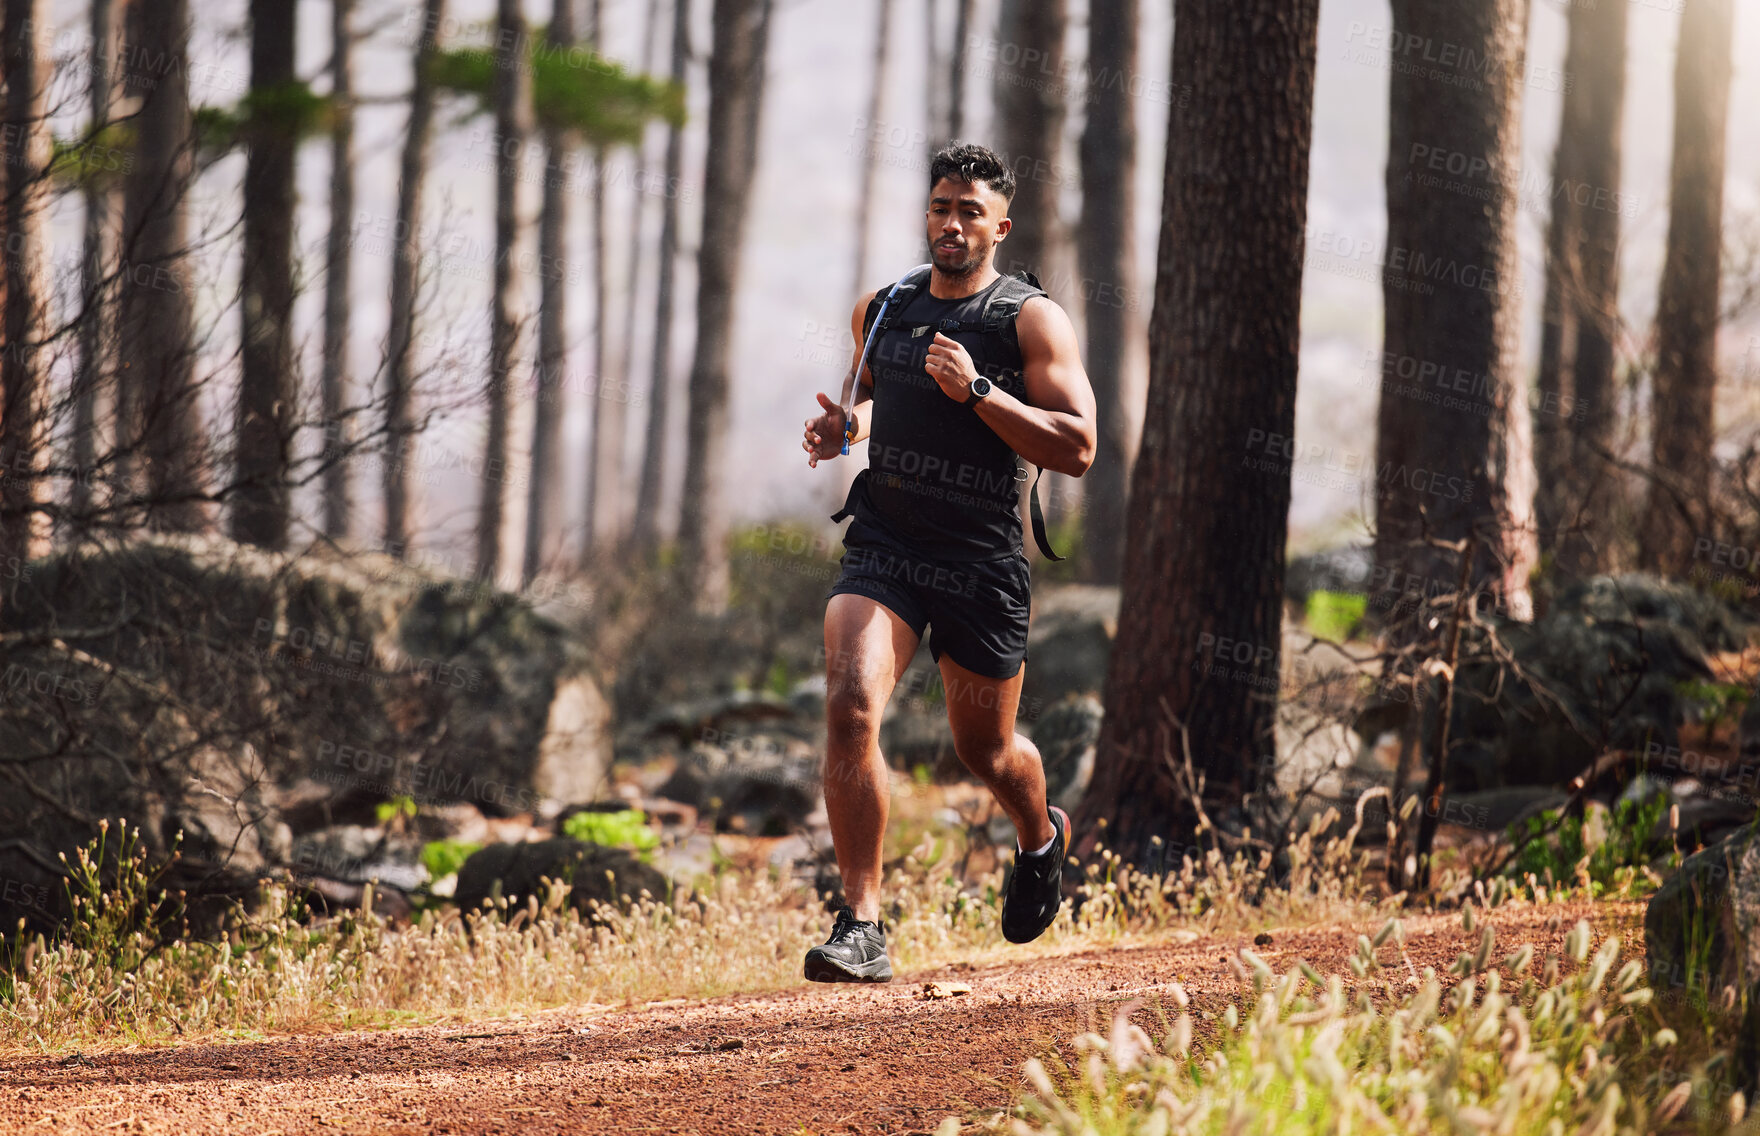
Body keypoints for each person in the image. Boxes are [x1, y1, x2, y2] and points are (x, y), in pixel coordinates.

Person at [798, 142, 1098, 982]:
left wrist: (981, 393)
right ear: (925, 214)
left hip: (981, 560)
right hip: (886, 542)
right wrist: (839, 431)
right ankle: (861, 922)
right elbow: (868, 405)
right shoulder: (884, 308)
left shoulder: (1029, 319)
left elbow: (1078, 448)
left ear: (1000, 226)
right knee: (853, 705)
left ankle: (1042, 835)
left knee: (987, 753)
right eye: (941, 207)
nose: (953, 224)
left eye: (971, 211)